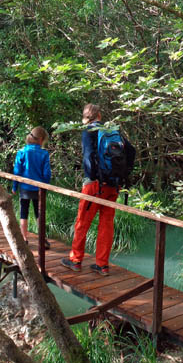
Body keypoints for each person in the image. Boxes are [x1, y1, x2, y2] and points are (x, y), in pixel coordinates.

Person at [61, 104, 135, 274]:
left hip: (95, 186)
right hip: (113, 186)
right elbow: (131, 151)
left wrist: (93, 178)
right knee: (106, 224)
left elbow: (88, 156)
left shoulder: (89, 131)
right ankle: (102, 265)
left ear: (85, 117)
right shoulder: (113, 131)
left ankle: (76, 260)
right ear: (99, 115)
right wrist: (123, 175)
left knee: (82, 222)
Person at [12, 126, 51, 249]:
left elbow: (17, 171)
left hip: (24, 188)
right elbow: (46, 174)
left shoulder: (22, 152)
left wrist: (14, 186)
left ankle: (24, 239)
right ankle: (42, 239)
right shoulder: (44, 154)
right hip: (39, 189)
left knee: (24, 212)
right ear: (40, 139)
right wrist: (45, 185)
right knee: (39, 214)